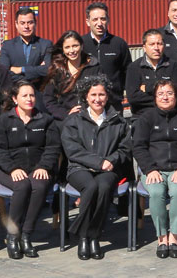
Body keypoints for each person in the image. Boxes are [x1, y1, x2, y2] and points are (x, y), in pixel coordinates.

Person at [58, 76, 129, 261]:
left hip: (108, 169)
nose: (98, 99)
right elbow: (72, 150)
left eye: (101, 94)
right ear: (86, 97)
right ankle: (84, 237)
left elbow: (125, 148)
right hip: (79, 168)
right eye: (93, 95)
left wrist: (111, 160)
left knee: (104, 187)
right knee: (90, 187)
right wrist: (98, 162)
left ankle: (94, 236)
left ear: (107, 96)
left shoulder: (118, 121)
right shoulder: (74, 120)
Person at [0, 80, 61, 260]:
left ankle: (26, 235)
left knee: (39, 186)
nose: (29, 99)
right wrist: (12, 168)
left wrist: (44, 166)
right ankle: (13, 236)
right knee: (22, 186)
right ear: (15, 99)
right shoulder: (5, 120)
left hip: (38, 168)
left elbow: (53, 147)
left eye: (32, 95)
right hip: (10, 169)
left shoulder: (45, 119)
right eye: (24, 96)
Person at [130, 81, 177, 259]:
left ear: (176, 97)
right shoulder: (146, 118)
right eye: (160, 94)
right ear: (155, 97)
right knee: (156, 192)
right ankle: (162, 238)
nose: (165, 97)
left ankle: (174, 237)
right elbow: (138, 147)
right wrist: (150, 169)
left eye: (169, 93)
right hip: (154, 170)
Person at [40, 31, 109, 120]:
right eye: (67, 47)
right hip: (66, 121)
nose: (72, 51)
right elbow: (48, 98)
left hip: (91, 119)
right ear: (63, 50)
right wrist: (66, 114)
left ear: (81, 46)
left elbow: (103, 93)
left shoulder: (94, 67)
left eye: (75, 46)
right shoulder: (58, 70)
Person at [82, 2, 131, 111]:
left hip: (113, 104)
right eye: (95, 19)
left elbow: (128, 73)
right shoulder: (81, 44)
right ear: (88, 22)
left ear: (108, 20)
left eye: (103, 19)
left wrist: (118, 92)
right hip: (86, 105)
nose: (99, 23)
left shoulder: (119, 44)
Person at [126, 29, 177, 117]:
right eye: (152, 44)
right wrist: (165, 96)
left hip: (170, 116)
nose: (156, 48)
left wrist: (148, 88)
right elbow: (133, 97)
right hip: (142, 117)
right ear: (144, 47)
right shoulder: (134, 67)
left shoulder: (174, 67)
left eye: (159, 44)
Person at [0, 7, 52, 87]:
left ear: (35, 23)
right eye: (22, 23)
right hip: (15, 91)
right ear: (16, 24)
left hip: (39, 91)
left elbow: (48, 70)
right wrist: (37, 70)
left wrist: (21, 69)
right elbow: (3, 73)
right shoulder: (8, 46)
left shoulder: (46, 45)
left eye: (30, 23)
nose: (26, 26)